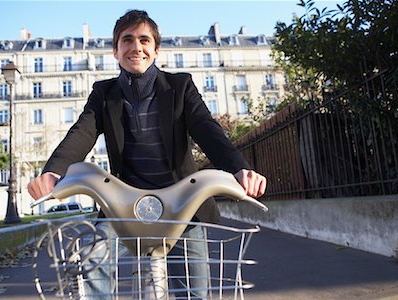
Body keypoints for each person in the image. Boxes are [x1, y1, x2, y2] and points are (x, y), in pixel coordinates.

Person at [28, 9, 266, 299]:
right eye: (127, 40)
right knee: (95, 261)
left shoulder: (180, 87)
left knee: (194, 288)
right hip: (123, 201)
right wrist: (54, 172)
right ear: (116, 51)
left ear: (155, 50)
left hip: (182, 201)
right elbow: (81, 133)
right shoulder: (104, 93)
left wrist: (238, 168)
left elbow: (206, 128)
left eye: (144, 39)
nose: (136, 47)